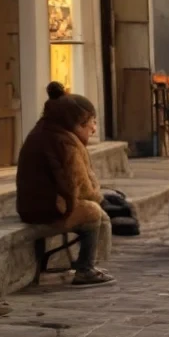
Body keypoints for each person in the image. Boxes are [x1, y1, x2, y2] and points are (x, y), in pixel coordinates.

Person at [16, 94, 114, 287]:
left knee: (95, 210)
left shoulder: (43, 131)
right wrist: (100, 199)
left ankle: (86, 264)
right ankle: (85, 269)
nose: (94, 129)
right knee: (93, 212)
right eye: (92, 123)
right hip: (48, 211)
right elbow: (80, 187)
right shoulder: (65, 142)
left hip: (31, 207)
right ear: (78, 123)